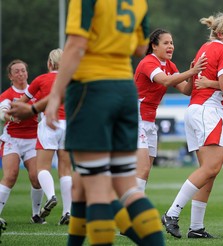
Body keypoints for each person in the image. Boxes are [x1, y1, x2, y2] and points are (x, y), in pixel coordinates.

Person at [43, 0, 165, 245]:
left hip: (92, 90)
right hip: (125, 91)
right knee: (126, 187)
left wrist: (55, 94)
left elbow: (76, 44)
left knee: (97, 186)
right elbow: (141, 48)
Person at [161, 12, 223, 239]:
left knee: (208, 172)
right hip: (210, 111)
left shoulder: (205, 48)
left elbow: (194, 84)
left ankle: (196, 228)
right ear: (219, 33)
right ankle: (172, 213)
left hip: (196, 109)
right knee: (211, 168)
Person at [134, 28, 206, 192]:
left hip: (149, 121)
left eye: (171, 43)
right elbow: (165, 81)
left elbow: (186, 90)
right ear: (154, 46)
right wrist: (192, 71)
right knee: (142, 168)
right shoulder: (148, 62)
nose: (170, 46)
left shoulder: (170, 65)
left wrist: (193, 74)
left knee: (145, 172)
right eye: (166, 43)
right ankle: (133, 210)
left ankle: (132, 206)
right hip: (135, 118)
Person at [17, 49, 72, 225]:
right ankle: (67, 212)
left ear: (49, 63)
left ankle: (51, 196)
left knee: (42, 167)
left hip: (49, 124)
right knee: (65, 170)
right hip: (68, 125)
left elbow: (22, 103)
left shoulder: (40, 80)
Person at [0, 60, 44, 225]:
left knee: (36, 178)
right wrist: (11, 117)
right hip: (12, 139)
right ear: (10, 77)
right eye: (16, 72)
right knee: (10, 176)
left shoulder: (36, 92)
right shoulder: (7, 95)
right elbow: (2, 113)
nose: (21, 74)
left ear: (27, 72)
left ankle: (35, 215)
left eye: (23, 71)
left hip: (33, 139)